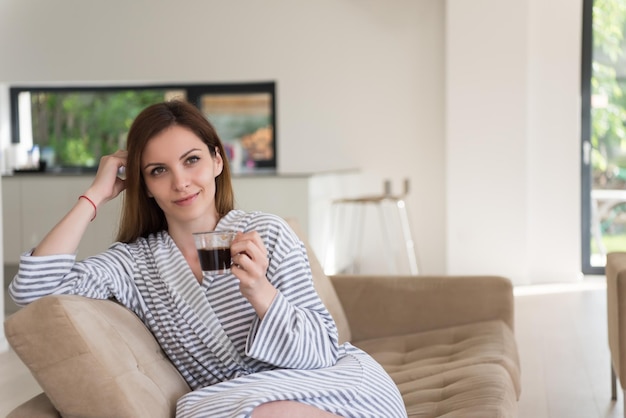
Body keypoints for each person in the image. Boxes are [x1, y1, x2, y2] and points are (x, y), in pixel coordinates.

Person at [9, 100, 407, 418]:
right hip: (231, 403)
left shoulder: (267, 233)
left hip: (327, 383)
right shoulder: (133, 265)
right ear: (144, 185)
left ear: (217, 161)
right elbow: (33, 293)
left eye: (192, 160)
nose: (180, 182)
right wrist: (95, 195)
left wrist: (260, 292)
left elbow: (321, 351)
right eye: (158, 170)